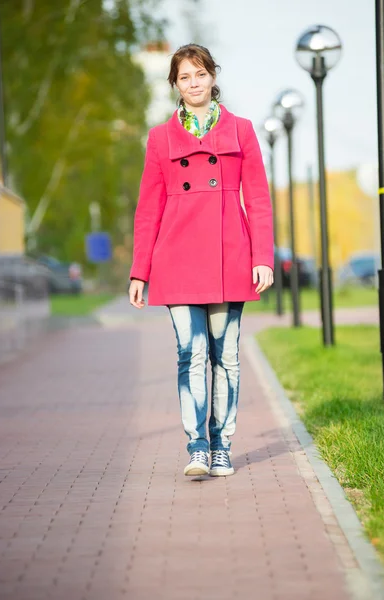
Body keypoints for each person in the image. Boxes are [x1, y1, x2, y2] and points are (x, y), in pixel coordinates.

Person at [129, 44, 274, 477]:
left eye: (200, 74)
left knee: (225, 355)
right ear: (174, 84)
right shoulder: (159, 138)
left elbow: (260, 199)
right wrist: (139, 270)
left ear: (213, 76)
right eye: (185, 77)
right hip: (175, 258)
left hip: (229, 254)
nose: (194, 83)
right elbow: (148, 208)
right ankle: (197, 446)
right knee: (190, 353)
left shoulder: (242, 130)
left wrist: (262, 257)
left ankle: (221, 445)